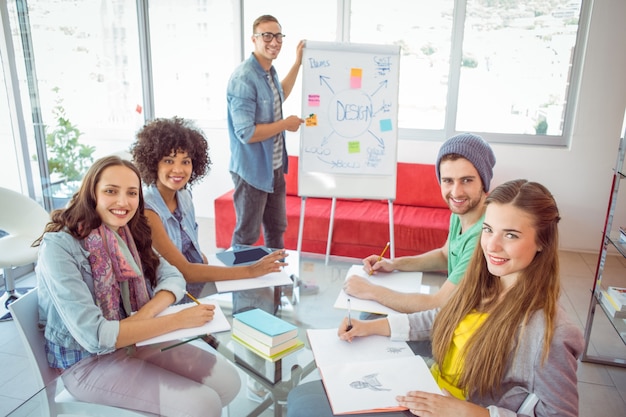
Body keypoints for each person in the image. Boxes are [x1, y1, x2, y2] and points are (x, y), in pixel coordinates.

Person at [287, 179, 584, 417]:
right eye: (488, 230)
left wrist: (474, 413)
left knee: (306, 404)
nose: (491, 245)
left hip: (451, 408)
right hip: (424, 387)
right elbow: (442, 318)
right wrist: (371, 328)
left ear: (542, 241)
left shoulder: (553, 332)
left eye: (511, 235)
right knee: (303, 395)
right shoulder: (484, 281)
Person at [33, 156, 241, 417]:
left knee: (229, 382)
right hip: (86, 363)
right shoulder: (59, 247)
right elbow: (96, 336)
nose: (123, 202)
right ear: (92, 193)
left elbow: (174, 277)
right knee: (204, 405)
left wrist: (142, 317)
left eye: (132, 193)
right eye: (111, 191)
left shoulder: (128, 232)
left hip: (138, 341)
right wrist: (178, 321)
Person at [130, 116, 288, 303]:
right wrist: (250, 271)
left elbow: (191, 251)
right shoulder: (148, 210)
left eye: (185, 161)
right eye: (169, 161)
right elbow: (184, 271)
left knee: (261, 289)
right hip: (166, 296)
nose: (178, 169)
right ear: (153, 162)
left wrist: (240, 264)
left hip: (194, 287)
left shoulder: (184, 196)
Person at [344, 133, 496, 313]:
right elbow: (444, 255)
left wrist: (370, 290)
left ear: (484, 182)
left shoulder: (483, 235)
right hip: (455, 314)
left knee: (369, 316)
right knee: (370, 315)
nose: (456, 192)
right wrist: (394, 264)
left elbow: (438, 303)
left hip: (465, 327)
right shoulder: (461, 213)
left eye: (467, 180)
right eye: (448, 181)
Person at [227, 14, 305, 315]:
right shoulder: (244, 78)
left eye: (278, 36)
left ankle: (276, 279)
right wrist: (284, 124)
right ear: (254, 39)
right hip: (251, 172)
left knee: (276, 229)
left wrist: (297, 63)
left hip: (273, 169)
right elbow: (245, 133)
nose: (274, 42)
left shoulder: (269, 73)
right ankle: (242, 290)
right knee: (247, 235)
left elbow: (279, 95)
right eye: (266, 36)